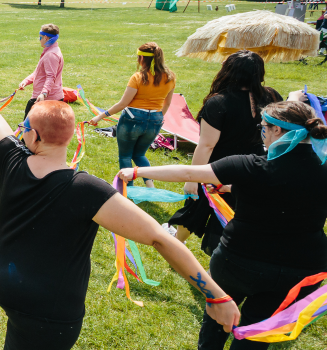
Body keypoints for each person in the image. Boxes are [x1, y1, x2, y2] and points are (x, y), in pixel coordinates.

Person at [0, 41, 239, 349]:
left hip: (34, 312)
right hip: (45, 314)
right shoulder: (86, 190)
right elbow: (159, 238)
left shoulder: (11, 158)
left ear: (34, 135)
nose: (18, 131)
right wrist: (215, 294)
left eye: (23, 127)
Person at [117, 101, 327, 350]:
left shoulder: (251, 165)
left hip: (239, 262)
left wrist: (137, 172)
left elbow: (188, 173)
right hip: (301, 270)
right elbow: (290, 192)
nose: (262, 134)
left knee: (217, 320)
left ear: (278, 131)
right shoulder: (320, 168)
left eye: (263, 128)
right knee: (256, 332)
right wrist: (233, 188)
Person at [164, 50, 281, 252]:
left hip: (220, 166)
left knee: (199, 206)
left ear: (229, 72)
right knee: (239, 208)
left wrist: (192, 178)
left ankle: (180, 244)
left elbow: (207, 144)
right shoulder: (270, 95)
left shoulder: (219, 102)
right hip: (256, 163)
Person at [89, 42, 176, 187]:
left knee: (125, 156)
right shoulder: (170, 77)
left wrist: (99, 116)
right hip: (156, 119)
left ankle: (128, 190)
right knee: (139, 155)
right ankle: (151, 188)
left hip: (133, 120)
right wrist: (156, 118)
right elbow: (167, 104)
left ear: (142, 58)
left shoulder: (138, 77)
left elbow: (123, 104)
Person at [18, 24, 64, 118]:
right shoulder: (52, 50)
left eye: (40, 37)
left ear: (46, 38)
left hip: (46, 100)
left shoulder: (51, 55)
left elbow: (51, 77)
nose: (39, 40)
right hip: (46, 97)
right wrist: (26, 81)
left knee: (30, 128)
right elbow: (39, 72)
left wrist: (43, 93)